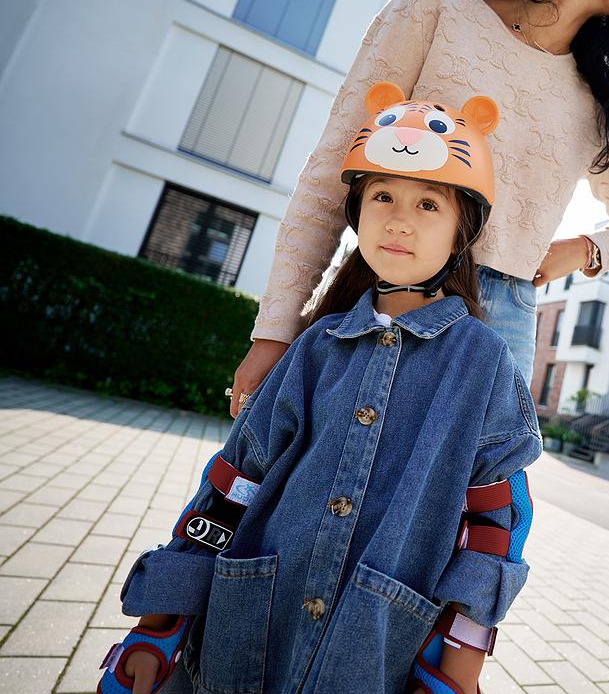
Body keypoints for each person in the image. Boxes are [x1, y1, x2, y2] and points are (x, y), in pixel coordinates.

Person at [98, 84, 542, 694]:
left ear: (463, 230)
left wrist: (456, 670)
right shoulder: (317, 344)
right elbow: (233, 483)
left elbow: (494, 526)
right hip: (248, 632)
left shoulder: (484, 363)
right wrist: (157, 630)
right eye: (382, 196)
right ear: (357, 212)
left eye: (428, 204)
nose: (399, 219)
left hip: (376, 651)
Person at [230, 0, 609, 417]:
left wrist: (583, 251)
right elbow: (331, 174)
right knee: (323, 458)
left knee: (472, 472)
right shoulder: (436, 10)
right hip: (384, 290)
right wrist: (274, 332)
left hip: (503, 323)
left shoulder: (598, 105)